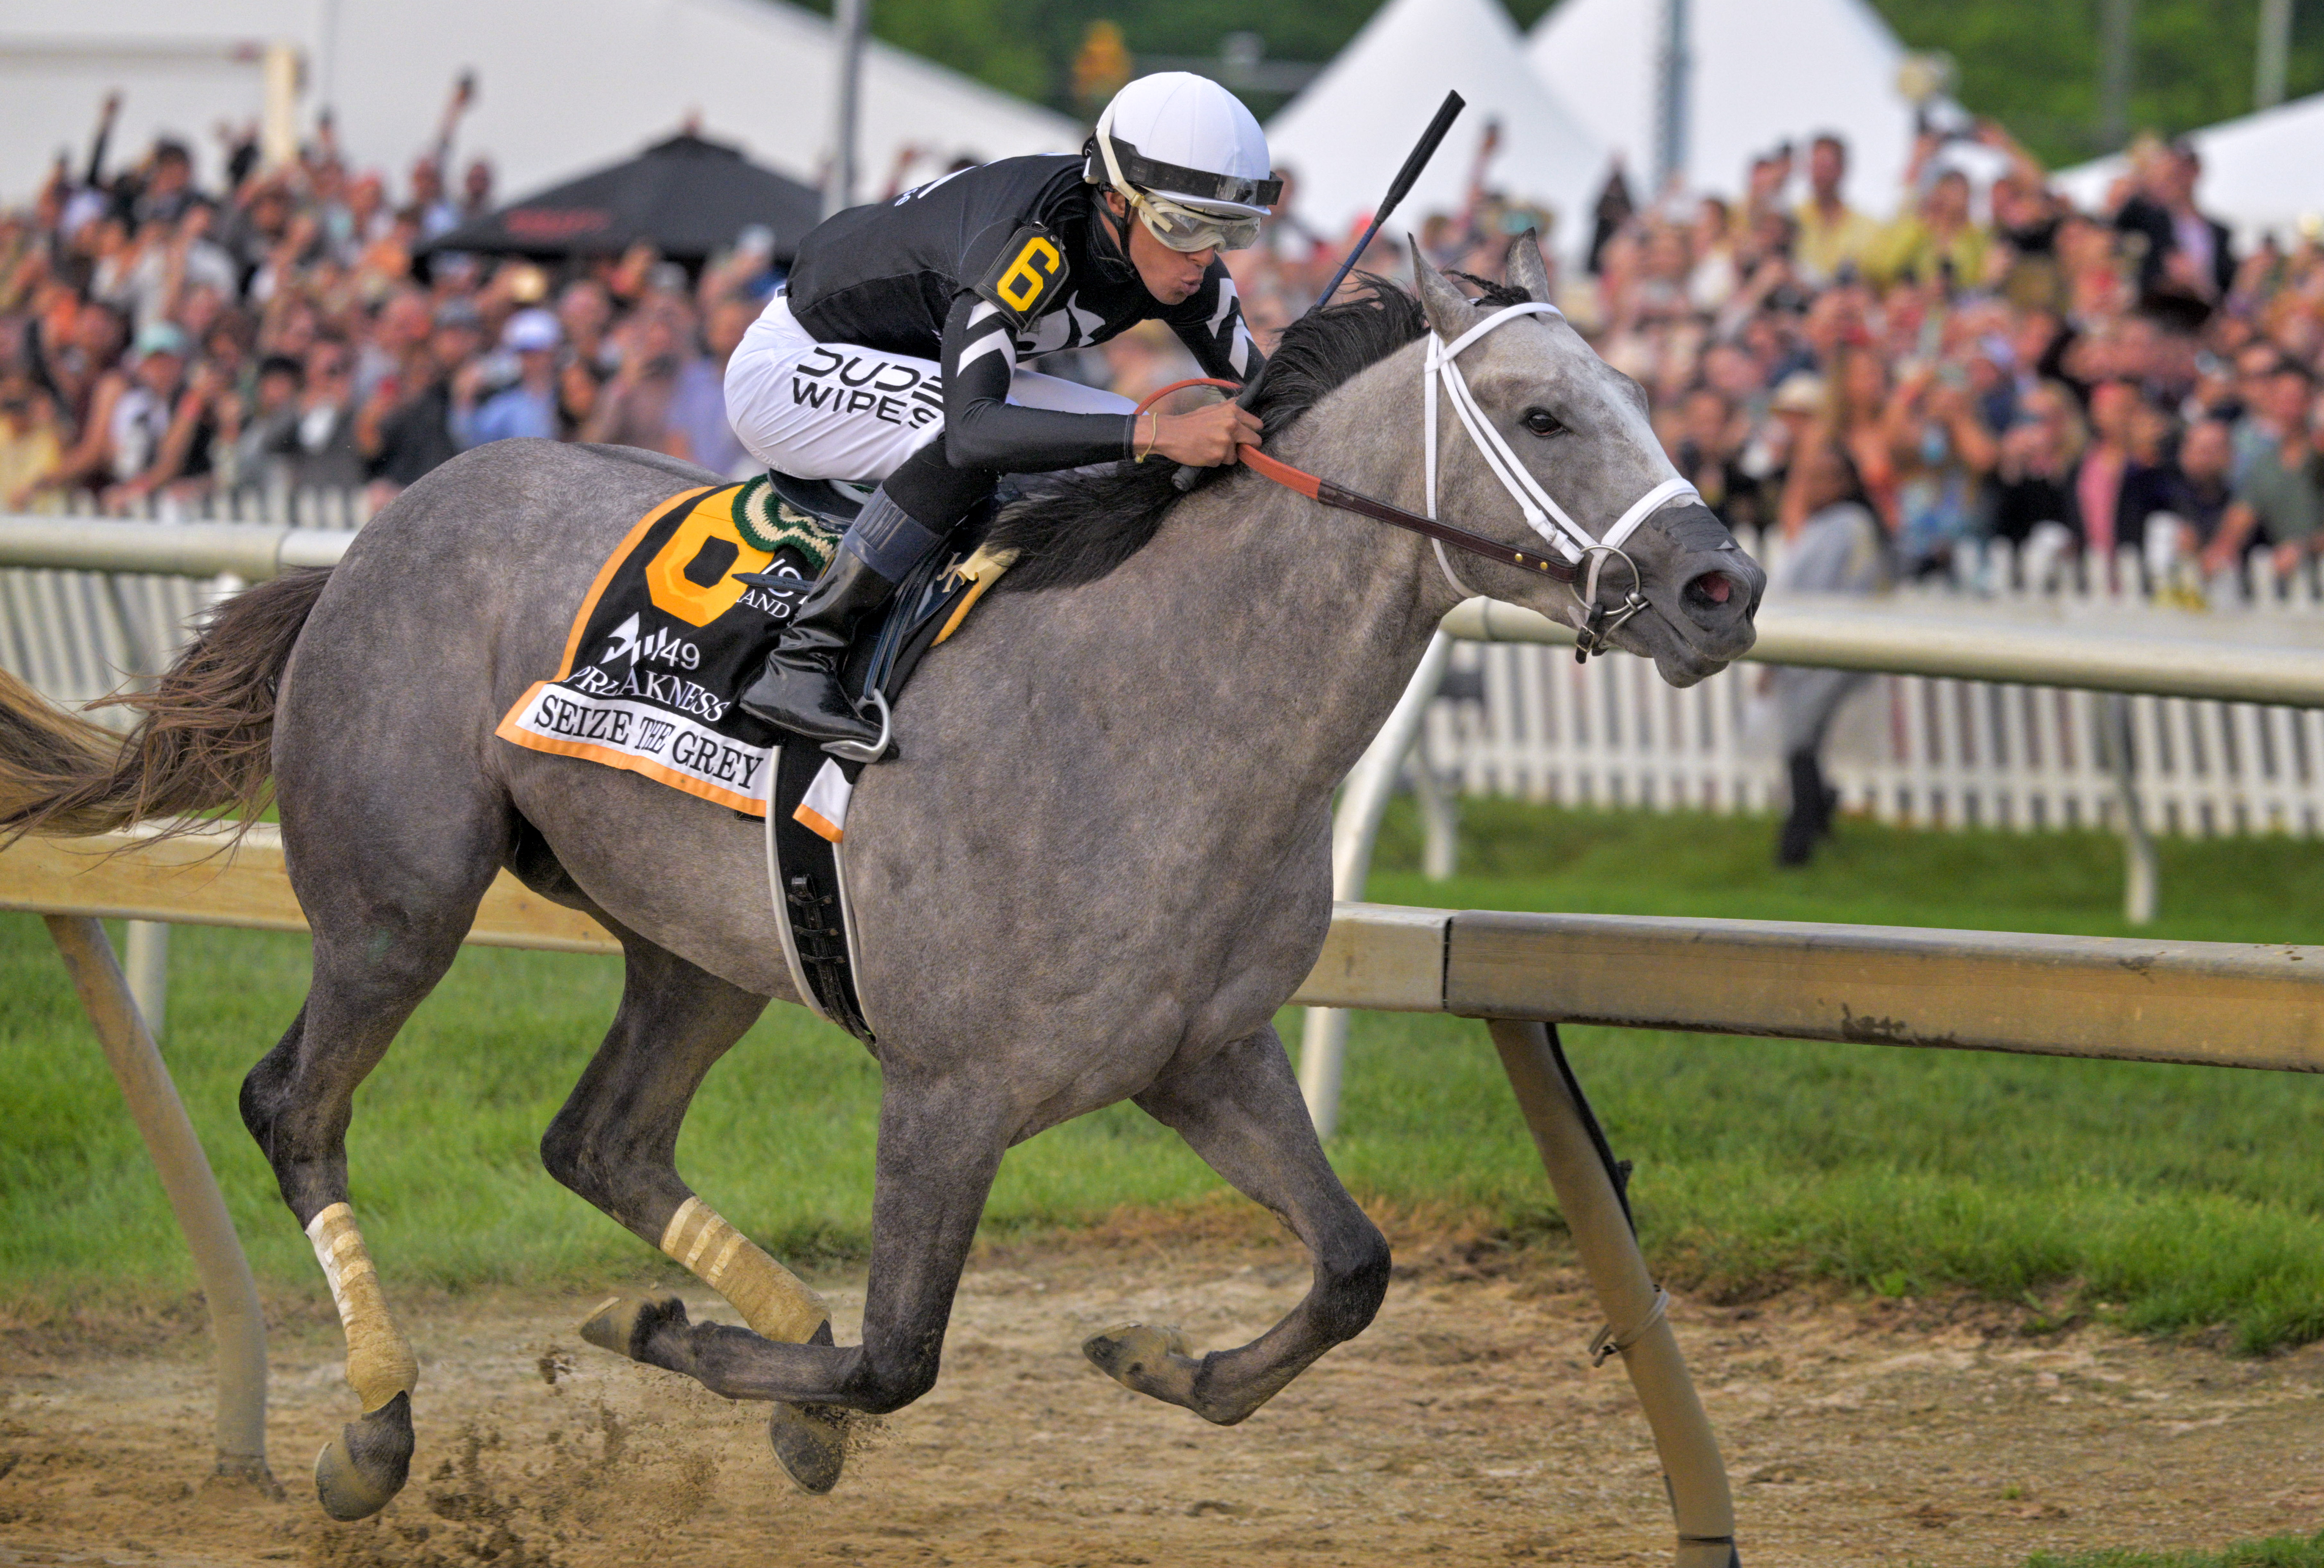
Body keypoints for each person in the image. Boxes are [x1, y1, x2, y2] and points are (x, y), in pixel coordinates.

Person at [724, 72, 1274, 746]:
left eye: (1228, 232)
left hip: (905, 360)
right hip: (790, 364)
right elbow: (976, 431)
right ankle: (805, 654)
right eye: (1185, 226)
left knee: (1102, 447)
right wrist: (1162, 432)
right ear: (1116, 200)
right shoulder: (1031, 241)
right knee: (988, 440)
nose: (1203, 257)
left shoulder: (1184, 268)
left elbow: (1271, 397)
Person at [1792, 134, 1882, 288]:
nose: (1820, 175)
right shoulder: (1791, 220)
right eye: (1815, 167)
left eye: (1826, 168)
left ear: (1842, 170)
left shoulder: (1869, 228)